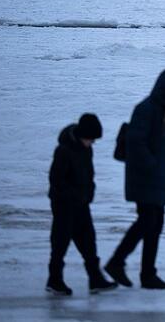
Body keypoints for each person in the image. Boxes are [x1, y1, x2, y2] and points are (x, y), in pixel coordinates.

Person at [105, 68, 165, 290]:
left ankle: (146, 274)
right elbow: (136, 143)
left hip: (158, 178)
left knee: (154, 224)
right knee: (147, 222)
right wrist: (152, 167)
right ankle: (118, 264)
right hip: (145, 178)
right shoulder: (146, 109)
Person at [46, 113, 118, 296]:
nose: (92, 142)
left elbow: (89, 174)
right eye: (90, 138)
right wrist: (73, 195)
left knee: (88, 241)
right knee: (60, 242)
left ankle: (95, 279)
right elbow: (56, 180)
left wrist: (89, 192)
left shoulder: (86, 149)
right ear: (81, 135)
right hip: (63, 204)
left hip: (81, 203)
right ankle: (55, 280)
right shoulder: (63, 150)